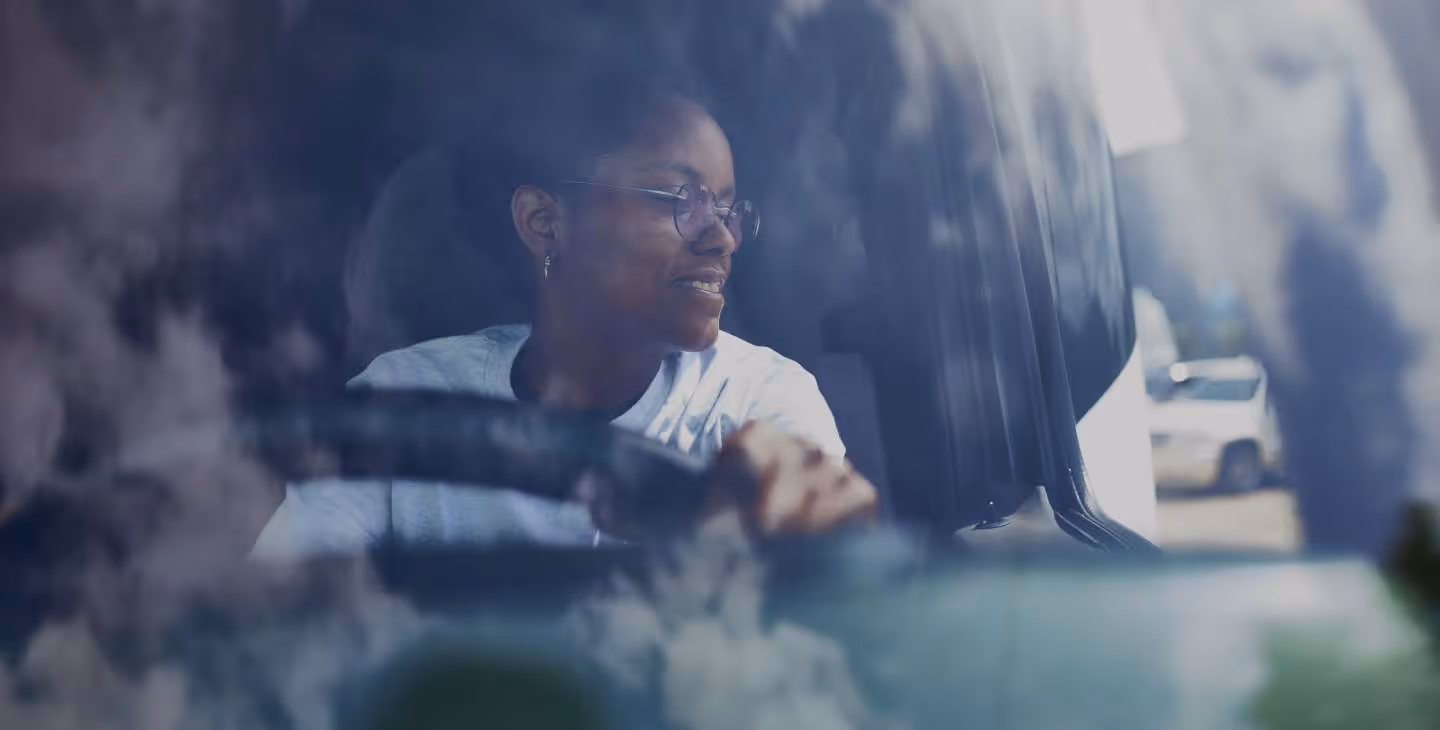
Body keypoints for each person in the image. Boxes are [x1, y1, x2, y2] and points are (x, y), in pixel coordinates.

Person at [252, 84, 877, 557]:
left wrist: (807, 534)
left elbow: (833, 625)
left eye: (727, 208)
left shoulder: (758, 403)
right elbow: (283, 630)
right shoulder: (400, 407)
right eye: (681, 200)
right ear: (545, 224)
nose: (723, 239)